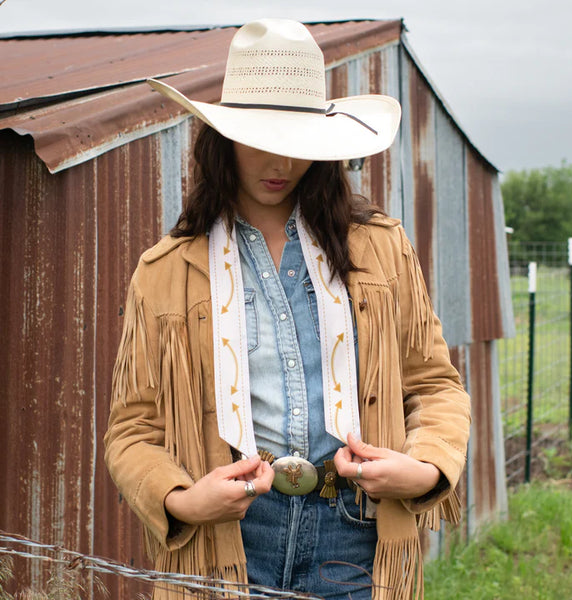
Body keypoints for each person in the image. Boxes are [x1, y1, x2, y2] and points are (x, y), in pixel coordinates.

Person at [104, 18, 470, 600]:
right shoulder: (165, 270)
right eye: (257, 136)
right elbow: (133, 428)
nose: (279, 161)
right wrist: (180, 499)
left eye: (295, 140)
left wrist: (425, 468)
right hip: (228, 542)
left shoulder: (381, 248)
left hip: (355, 536)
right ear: (221, 139)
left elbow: (434, 383)